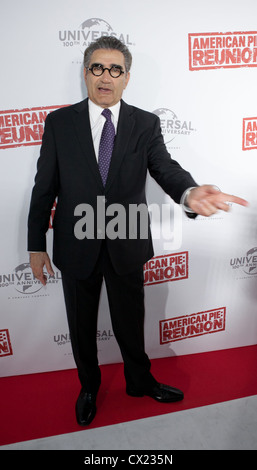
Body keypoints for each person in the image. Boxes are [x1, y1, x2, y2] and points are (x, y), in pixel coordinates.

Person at [28, 36, 248, 426]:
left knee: (130, 322)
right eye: (97, 67)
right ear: (85, 73)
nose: (105, 76)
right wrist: (35, 245)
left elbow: (165, 168)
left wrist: (190, 191)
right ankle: (89, 387)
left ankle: (139, 381)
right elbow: (44, 187)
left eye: (115, 69)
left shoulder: (145, 123)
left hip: (126, 243)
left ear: (127, 77)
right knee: (80, 327)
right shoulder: (59, 123)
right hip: (74, 244)